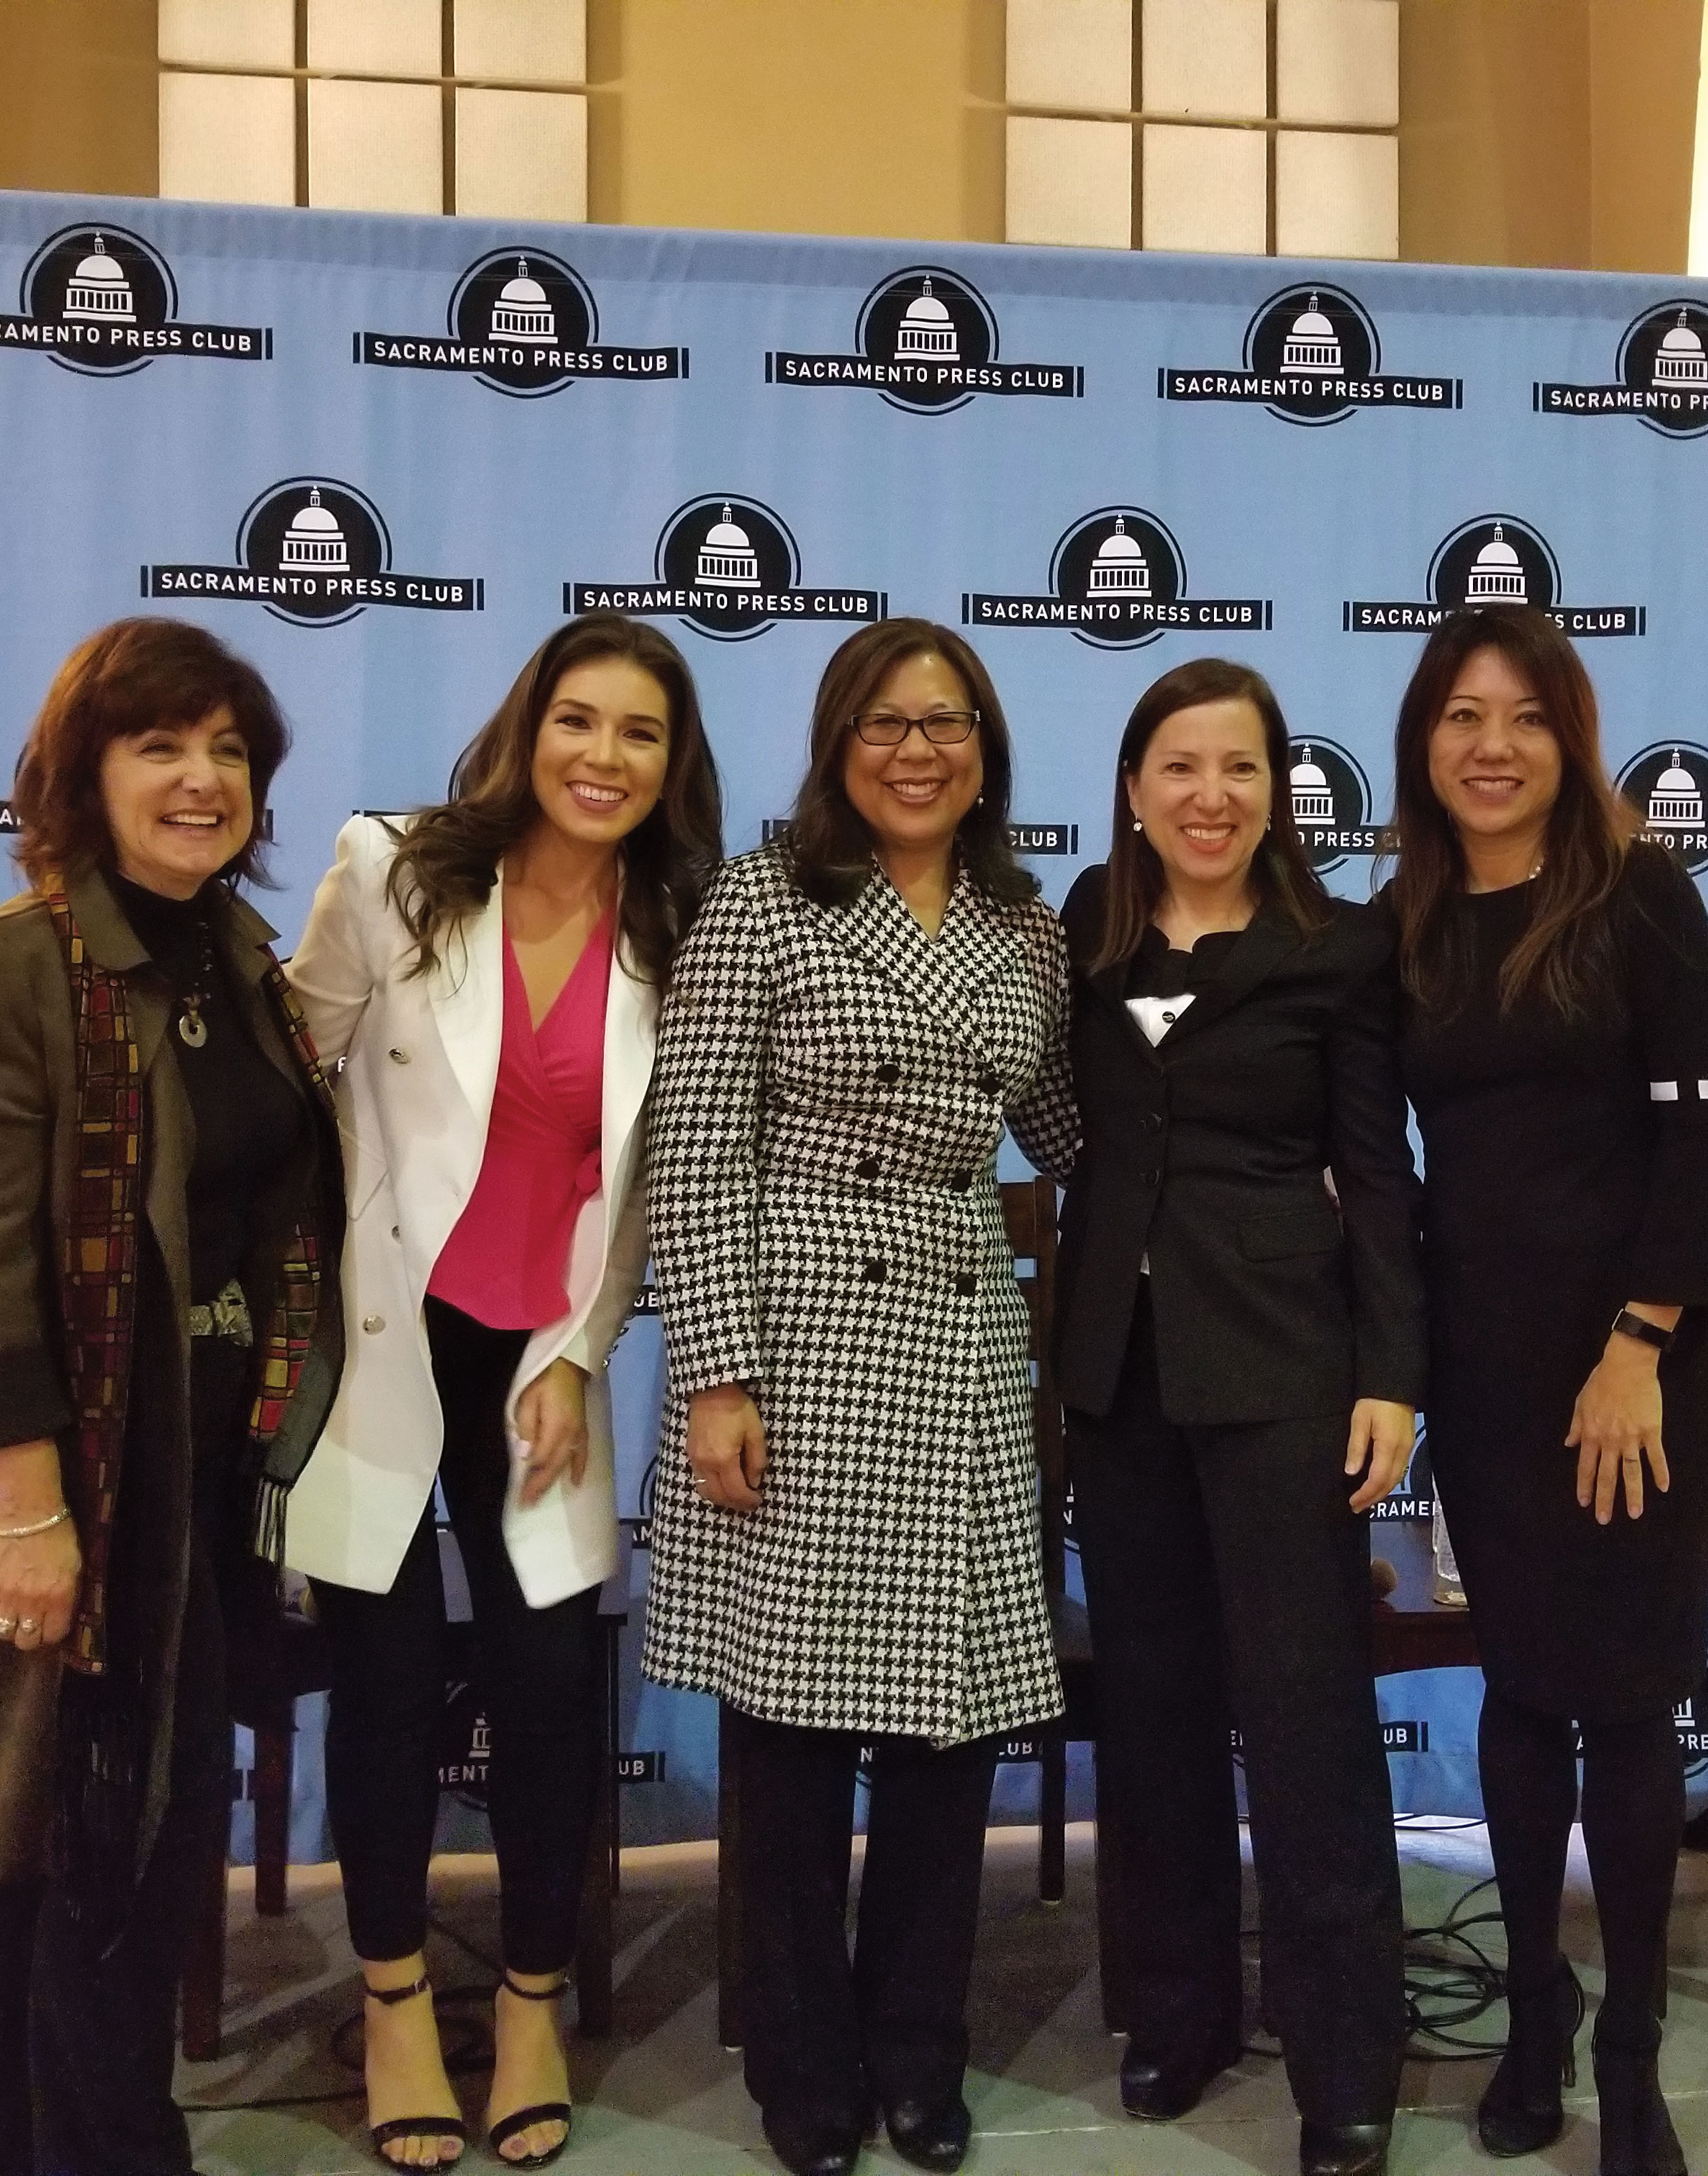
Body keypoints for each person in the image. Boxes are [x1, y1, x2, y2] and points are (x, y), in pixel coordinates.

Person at [0, 617, 343, 2176]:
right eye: (160, 748)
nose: (202, 781)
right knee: (78, 1833)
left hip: (192, 1467)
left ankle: (28, 2145)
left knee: (120, 1832)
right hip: (58, 1478)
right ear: (84, 774)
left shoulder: (241, 966)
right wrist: (29, 1510)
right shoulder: (6, 971)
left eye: (227, 751)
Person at [284, 612, 723, 2169]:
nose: (603, 757)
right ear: (528, 726)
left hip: (542, 1360)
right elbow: (295, 1072)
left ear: (674, 766)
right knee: (389, 1690)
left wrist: (585, 1355)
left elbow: (653, 1186)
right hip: (382, 1344)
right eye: (579, 722)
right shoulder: (395, 869)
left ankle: (531, 1998)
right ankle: (396, 2003)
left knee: (548, 1693)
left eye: (640, 734)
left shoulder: (684, 926)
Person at [641, 617, 1077, 2176]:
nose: (916, 751)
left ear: (983, 752)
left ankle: (920, 2050)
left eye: (946, 724)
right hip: (802, 1341)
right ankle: (802, 2066)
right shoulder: (762, 902)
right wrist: (712, 1374)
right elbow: (692, 1148)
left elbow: (1074, 1125)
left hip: (959, 1346)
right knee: (794, 1735)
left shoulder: (1026, 930)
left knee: (947, 1737)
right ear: (837, 746)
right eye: (885, 724)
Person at [1385, 603, 1708, 2176]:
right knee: (1515, 1696)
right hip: (1484, 1371)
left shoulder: (1637, 893)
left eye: (1524, 718)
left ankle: (1628, 2048)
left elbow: (1707, 1125)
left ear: (1568, 739)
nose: (1490, 747)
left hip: (1633, 1363)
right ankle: (1532, 2011)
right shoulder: (1410, 917)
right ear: (1422, 741)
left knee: (1627, 1711)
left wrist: (1636, 1342)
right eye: (1460, 718)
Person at [1053, 659, 1425, 2176]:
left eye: (1241, 769)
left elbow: (1379, 1170)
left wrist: (1394, 1376)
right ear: (1134, 787)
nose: (1209, 796)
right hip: (1117, 1379)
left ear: (1279, 790)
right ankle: (1177, 2012)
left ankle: (1345, 2060)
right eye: (1178, 767)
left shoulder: (1334, 948)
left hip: (1283, 1371)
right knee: (1147, 1718)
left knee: (1304, 1719)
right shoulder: (1085, 921)